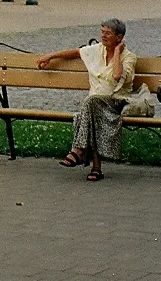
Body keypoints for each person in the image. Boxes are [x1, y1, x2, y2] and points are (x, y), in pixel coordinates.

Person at [38, 18, 137, 181]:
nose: (103, 36)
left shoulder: (129, 57)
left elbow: (117, 76)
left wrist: (118, 52)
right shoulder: (97, 50)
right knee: (92, 107)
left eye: (108, 33)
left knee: (90, 104)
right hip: (95, 105)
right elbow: (77, 52)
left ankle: (78, 150)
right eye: (102, 32)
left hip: (116, 103)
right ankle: (96, 169)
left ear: (119, 38)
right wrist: (50, 56)